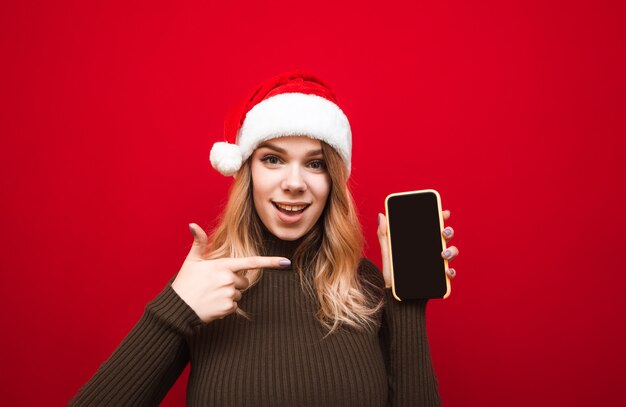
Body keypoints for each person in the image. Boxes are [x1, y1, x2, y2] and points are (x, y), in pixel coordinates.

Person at [69, 71, 460, 406]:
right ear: (246, 171)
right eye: (273, 159)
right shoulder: (206, 285)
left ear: (334, 182)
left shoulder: (367, 285)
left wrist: (406, 302)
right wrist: (176, 309)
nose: (294, 183)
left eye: (315, 163)